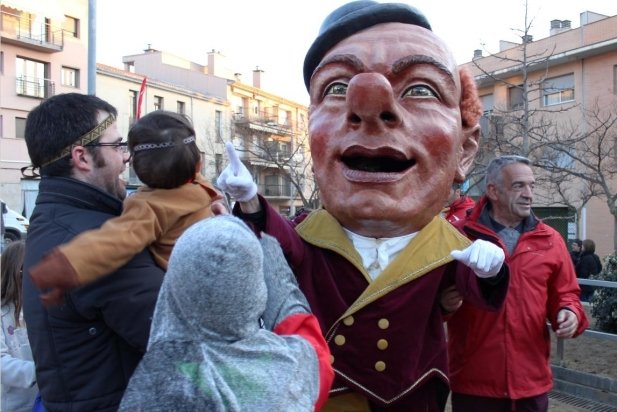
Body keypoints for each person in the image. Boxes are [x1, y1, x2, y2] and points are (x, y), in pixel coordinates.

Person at [216, 1, 510, 410]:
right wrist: (249, 197)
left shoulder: (452, 245)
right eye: (336, 87)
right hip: (327, 389)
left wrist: (492, 270)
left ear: (465, 151)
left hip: (412, 391)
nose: (369, 102)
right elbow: (279, 241)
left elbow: (474, 292)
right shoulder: (310, 236)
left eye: (420, 89)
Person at [22, 93, 165, 411]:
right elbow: (183, 337)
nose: (126, 158)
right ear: (82, 157)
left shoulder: (53, 221)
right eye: (117, 146)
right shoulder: (98, 245)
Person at [119, 215, 334, 411]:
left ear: (174, 283)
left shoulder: (157, 385)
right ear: (256, 291)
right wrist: (266, 245)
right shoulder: (296, 368)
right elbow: (297, 323)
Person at [28, 110, 222, 306]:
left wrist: (67, 265)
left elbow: (114, 241)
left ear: (137, 168)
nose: (123, 157)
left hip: (187, 296)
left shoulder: (148, 207)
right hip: (215, 287)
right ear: (198, 165)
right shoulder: (199, 189)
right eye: (116, 146)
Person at [446, 155, 589, 412]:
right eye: (519, 186)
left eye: (531, 185)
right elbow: (433, 302)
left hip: (531, 385)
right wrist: (444, 304)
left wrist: (569, 313)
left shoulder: (551, 240)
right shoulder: (459, 236)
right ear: (493, 191)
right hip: (475, 385)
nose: (529, 194)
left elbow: (566, 294)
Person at [1, 240, 39, 412]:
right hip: (15, 404)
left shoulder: (42, 306)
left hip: (45, 398)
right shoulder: (3, 312)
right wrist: (40, 372)